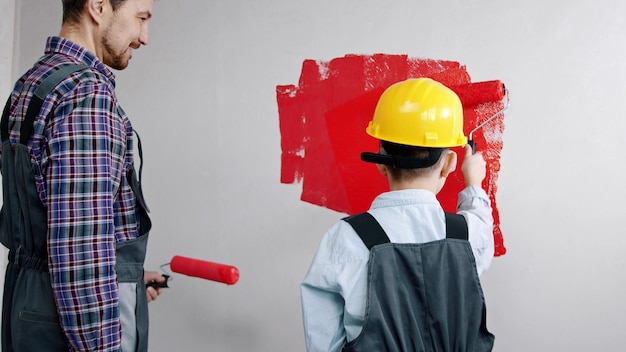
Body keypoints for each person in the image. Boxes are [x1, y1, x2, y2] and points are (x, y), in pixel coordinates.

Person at [0, 0, 165, 351]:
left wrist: (128, 278)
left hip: (26, 307)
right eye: (141, 18)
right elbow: (81, 263)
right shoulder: (85, 96)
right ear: (99, 6)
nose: (144, 37)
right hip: (69, 327)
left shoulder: (32, 84)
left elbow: (55, 229)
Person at [301, 77, 496, 351]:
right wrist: (473, 184)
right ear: (449, 163)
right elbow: (481, 223)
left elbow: (323, 343)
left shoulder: (344, 240)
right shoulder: (469, 237)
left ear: (381, 163)